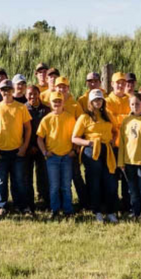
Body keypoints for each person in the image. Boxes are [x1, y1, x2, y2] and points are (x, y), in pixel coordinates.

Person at [72, 89, 119, 223]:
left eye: (100, 99)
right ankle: (97, 211)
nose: (97, 102)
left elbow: (115, 130)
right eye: (95, 100)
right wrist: (89, 143)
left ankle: (110, 211)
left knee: (110, 181)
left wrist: (112, 140)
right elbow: (74, 138)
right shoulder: (84, 117)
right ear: (90, 102)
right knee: (94, 182)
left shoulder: (108, 115)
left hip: (107, 150)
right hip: (91, 150)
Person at [0, 79, 32, 216]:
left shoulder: (21, 107)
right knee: (1, 181)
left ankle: (22, 206)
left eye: (9, 89)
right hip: (1, 151)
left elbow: (28, 128)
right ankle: (2, 206)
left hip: (17, 150)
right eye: (3, 90)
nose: (6, 92)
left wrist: (24, 146)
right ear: (0, 91)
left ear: (13, 90)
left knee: (19, 180)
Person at [37, 92, 76, 218]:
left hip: (66, 156)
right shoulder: (46, 119)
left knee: (66, 185)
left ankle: (68, 210)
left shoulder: (70, 118)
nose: (57, 104)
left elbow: (76, 136)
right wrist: (44, 152)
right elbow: (39, 138)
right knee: (54, 186)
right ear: (50, 103)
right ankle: (54, 210)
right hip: (52, 157)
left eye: (59, 101)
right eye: (54, 101)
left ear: (63, 102)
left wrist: (74, 150)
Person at [118, 93, 141, 218]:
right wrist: (121, 162)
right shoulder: (126, 121)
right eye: (132, 104)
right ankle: (135, 211)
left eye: (138, 104)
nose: (135, 107)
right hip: (129, 162)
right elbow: (122, 143)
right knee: (132, 189)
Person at [54, 77, 88, 210]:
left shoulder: (75, 105)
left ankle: (85, 202)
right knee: (59, 178)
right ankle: (61, 203)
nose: (61, 89)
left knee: (76, 176)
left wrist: (76, 148)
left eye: (64, 87)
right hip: (57, 147)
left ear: (68, 88)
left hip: (71, 148)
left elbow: (82, 127)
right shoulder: (53, 102)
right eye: (59, 87)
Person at [105, 72, 131, 213]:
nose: (120, 85)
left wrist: (119, 118)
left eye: (122, 82)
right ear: (112, 84)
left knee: (128, 178)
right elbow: (111, 121)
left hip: (128, 145)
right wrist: (124, 119)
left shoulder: (130, 99)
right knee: (112, 177)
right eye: (117, 82)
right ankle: (114, 205)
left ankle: (128, 205)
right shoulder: (107, 101)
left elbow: (133, 118)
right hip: (113, 145)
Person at [25, 85, 51, 210]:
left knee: (44, 176)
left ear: (39, 94)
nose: (32, 97)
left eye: (35, 94)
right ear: (26, 95)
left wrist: (43, 147)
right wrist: (29, 146)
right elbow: (20, 130)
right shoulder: (22, 109)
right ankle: (29, 204)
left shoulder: (46, 109)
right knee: (27, 177)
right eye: (30, 94)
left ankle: (45, 202)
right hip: (27, 148)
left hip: (42, 147)